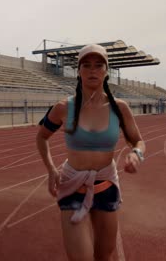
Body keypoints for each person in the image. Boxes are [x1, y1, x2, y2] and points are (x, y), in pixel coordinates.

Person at [36, 44, 145, 261]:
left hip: (106, 187)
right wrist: (50, 169)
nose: (92, 70)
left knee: (104, 255)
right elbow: (41, 137)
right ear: (79, 71)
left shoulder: (120, 108)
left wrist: (136, 154)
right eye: (86, 65)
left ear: (106, 71)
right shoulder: (63, 108)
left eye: (98, 65)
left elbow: (138, 141)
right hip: (73, 187)